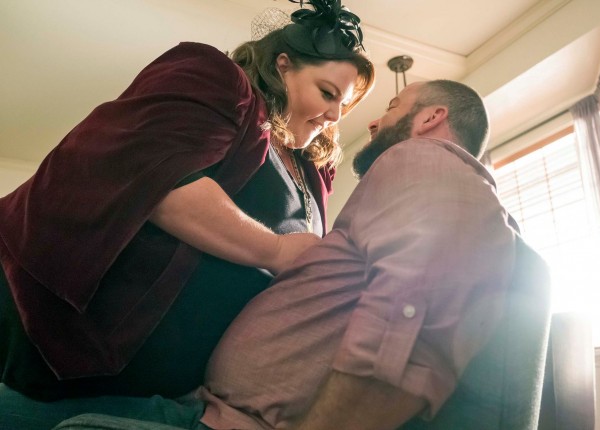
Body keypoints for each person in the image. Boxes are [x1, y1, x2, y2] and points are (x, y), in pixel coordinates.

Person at [53, 80, 551, 430]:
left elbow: (430, 297)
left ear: (431, 117)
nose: (374, 121)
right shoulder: (407, 187)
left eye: (392, 105)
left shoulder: (422, 157)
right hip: (203, 410)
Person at [0, 0, 375, 412]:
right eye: (327, 93)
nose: (334, 115)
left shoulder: (314, 174)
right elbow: (157, 177)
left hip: (169, 397)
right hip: (68, 356)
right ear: (283, 66)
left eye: (344, 106)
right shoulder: (217, 79)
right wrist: (278, 250)